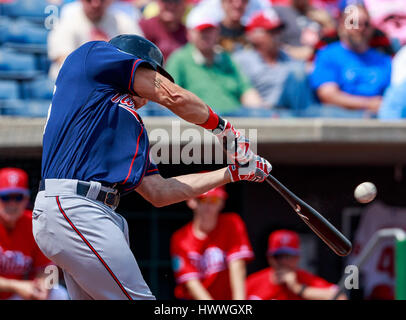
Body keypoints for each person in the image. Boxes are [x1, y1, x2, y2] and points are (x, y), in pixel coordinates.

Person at [33, 34, 272, 300]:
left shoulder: (125, 123)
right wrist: (223, 129)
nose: (150, 83)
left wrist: (232, 173)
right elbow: (171, 95)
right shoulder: (93, 56)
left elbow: (159, 192)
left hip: (91, 213)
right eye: (149, 71)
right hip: (75, 207)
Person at [166, 8, 264, 114]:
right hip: (199, 122)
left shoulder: (226, 58)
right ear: (189, 33)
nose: (206, 35)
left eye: (209, 30)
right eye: (201, 31)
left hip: (234, 118)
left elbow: (246, 91)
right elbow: (168, 97)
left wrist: (261, 113)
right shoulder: (179, 59)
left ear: (217, 32)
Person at [170, 186, 254, 300]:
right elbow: (192, 283)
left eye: (214, 200)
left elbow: (237, 266)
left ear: (222, 203)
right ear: (191, 201)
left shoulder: (232, 223)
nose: (209, 206)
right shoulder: (180, 238)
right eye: (203, 200)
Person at [310, 4, 392, 117]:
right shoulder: (328, 55)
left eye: (366, 24)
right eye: (354, 22)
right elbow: (328, 96)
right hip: (342, 117)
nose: (360, 28)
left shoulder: (384, 60)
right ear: (342, 26)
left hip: (380, 116)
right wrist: (368, 104)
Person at [0, 168, 68, 300]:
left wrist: (45, 285)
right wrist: (17, 286)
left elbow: (51, 267)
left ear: (26, 199)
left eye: (18, 197)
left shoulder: (34, 223)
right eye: (5, 197)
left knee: (58, 293)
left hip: (15, 295)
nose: (12, 204)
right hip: (15, 289)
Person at [233, 10, 315, 112]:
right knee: (297, 71)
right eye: (271, 32)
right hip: (266, 112)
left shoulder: (285, 56)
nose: (277, 35)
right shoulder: (242, 59)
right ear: (253, 35)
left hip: (294, 108)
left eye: (279, 31)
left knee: (336, 113)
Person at [48, 0, 144, 80]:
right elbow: (64, 59)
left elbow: (140, 54)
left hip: (114, 85)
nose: (96, 4)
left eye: (102, 0)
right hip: (71, 84)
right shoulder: (68, 16)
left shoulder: (121, 20)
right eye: (89, 0)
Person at [246, 229, 346, 300]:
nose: (283, 262)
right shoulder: (252, 283)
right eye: (278, 256)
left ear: (297, 258)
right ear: (269, 258)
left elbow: (341, 297)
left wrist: (298, 288)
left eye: (289, 256)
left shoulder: (306, 280)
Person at [347, 200, 406, 299]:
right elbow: (355, 260)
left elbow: (353, 264)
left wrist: (349, 288)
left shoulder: (373, 212)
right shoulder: (373, 212)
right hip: (379, 290)